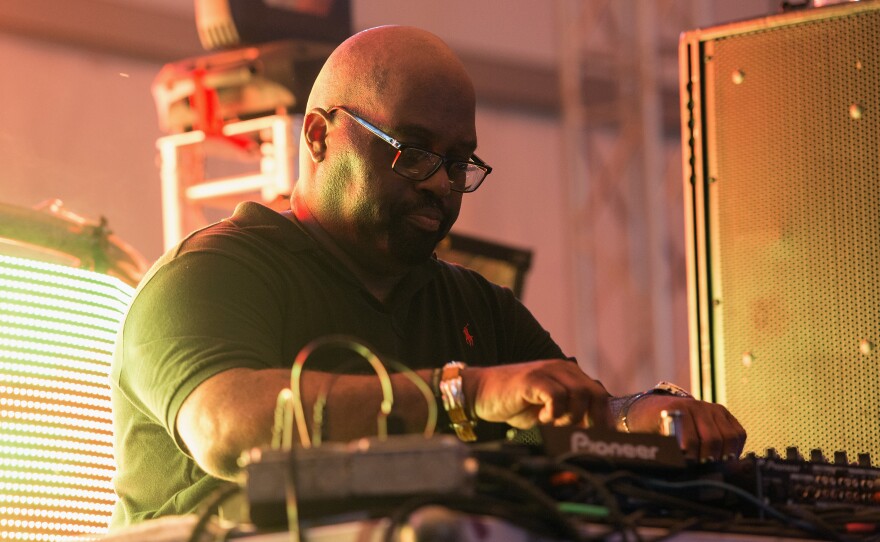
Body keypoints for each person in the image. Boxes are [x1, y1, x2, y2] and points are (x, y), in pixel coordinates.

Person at [109, 25, 746, 527]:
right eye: (412, 152)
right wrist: (459, 394)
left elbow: (579, 416)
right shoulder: (211, 274)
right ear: (318, 136)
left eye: (459, 160)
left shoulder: (476, 307)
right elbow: (225, 429)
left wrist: (651, 415)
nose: (442, 182)